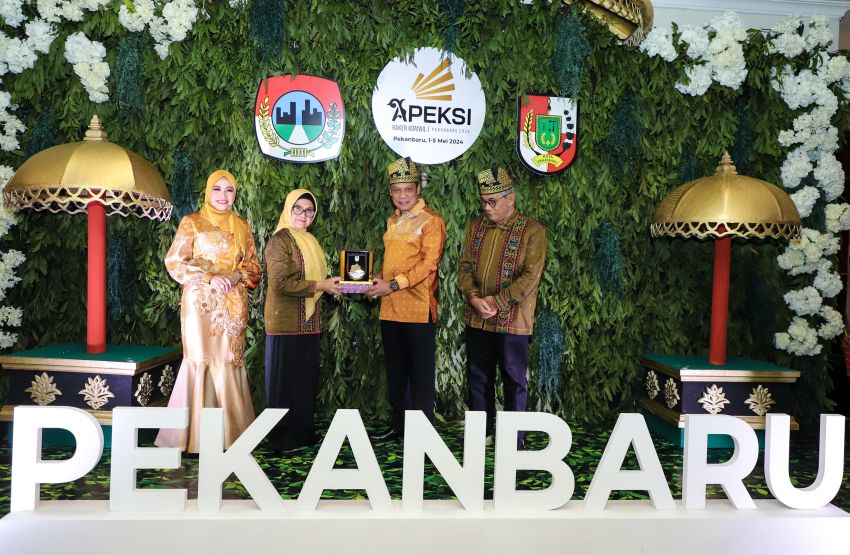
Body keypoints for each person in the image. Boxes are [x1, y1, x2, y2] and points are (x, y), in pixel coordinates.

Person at [156, 170, 261, 453]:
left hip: (233, 301)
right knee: (200, 358)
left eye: (229, 190)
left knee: (227, 359)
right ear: (207, 192)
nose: (223, 196)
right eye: (218, 189)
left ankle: (233, 435)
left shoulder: (242, 225)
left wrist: (236, 277)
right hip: (200, 302)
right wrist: (210, 278)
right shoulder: (192, 222)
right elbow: (175, 262)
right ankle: (192, 437)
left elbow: (253, 267)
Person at [458, 167, 547, 446]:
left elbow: (531, 277)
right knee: (477, 375)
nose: (486, 207)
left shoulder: (532, 230)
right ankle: (482, 433)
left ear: (511, 199)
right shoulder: (475, 226)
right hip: (477, 317)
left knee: (513, 379)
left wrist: (497, 302)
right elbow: (464, 268)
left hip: (514, 319)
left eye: (492, 202)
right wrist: (473, 298)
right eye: (483, 201)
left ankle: (513, 437)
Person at [366, 157, 446, 440]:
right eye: (396, 190)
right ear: (390, 192)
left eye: (407, 190)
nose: (402, 196)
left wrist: (392, 284)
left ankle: (422, 433)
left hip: (418, 308)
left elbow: (428, 265)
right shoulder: (392, 220)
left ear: (417, 190)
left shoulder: (431, 221)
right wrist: (374, 279)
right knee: (397, 372)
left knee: (421, 375)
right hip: (390, 308)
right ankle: (399, 426)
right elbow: (393, 263)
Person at [264, 189, 340, 451]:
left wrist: (334, 286)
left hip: (309, 322)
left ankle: (302, 432)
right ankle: (282, 438)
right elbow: (280, 282)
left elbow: (319, 283)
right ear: (288, 209)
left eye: (309, 210)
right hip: (284, 322)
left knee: (304, 380)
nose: (303, 215)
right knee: (284, 382)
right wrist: (322, 284)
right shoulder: (279, 241)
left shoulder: (311, 241)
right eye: (298, 208)